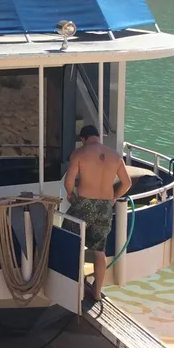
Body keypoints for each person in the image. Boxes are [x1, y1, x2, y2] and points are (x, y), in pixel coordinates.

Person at [64, 124, 132, 301]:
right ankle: (97, 293)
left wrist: (70, 194)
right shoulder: (115, 156)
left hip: (85, 203)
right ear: (97, 137)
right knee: (99, 250)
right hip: (105, 206)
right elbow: (127, 183)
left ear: (84, 139)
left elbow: (69, 180)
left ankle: (73, 284)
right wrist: (114, 198)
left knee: (69, 238)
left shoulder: (80, 153)